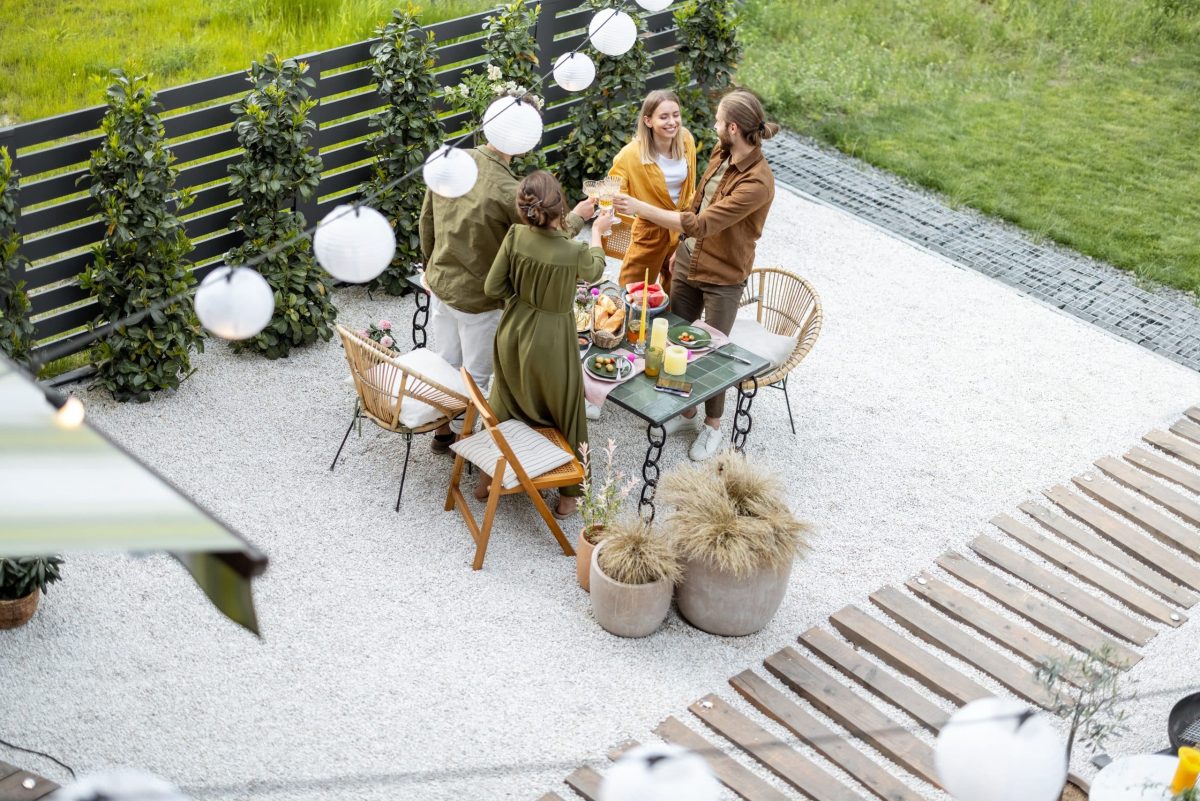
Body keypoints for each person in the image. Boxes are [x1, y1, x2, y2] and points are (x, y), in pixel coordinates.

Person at [613, 88, 779, 461]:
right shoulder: (722, 153)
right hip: (688, 262)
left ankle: (712, 425)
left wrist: (641, 207)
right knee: (675, 338)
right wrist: (680, 247)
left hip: (723, 276)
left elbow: (702, 223)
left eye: (719, 121)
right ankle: (684, 411)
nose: (714, 126)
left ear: (733, 128)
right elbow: (696, 202)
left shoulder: (758, 182)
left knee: (714, 351)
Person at [419, 97, 593, 454]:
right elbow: (548, 238)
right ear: (526, 140)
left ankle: (442, 433)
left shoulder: (450, 160)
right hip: (479, 300)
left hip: (440, 283)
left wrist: (431, 267)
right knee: (477, 377)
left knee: (446, 363)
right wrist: (579, 216)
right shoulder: (508, 191)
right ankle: (466, 449)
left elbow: (426, 222)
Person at [479, 171, 614, 518]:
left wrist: (521, 299)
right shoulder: (574, 250)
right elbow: (595, 269)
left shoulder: (515, 235)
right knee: (568, 409)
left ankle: (485, 476)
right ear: (559, 206)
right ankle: (569, 495)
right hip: (553, 338)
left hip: (513, 330)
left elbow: (493, 288)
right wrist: (596, 231)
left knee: (505, 397)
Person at [608, 89, 698, 291]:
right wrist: (617, 204)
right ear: (648, 121)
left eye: (676, 115)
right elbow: (613, 191)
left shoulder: (686, 140)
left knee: (678, 293)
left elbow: (691, 186)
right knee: (633, 291)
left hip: (681, 229)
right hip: (650, 232)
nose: (672, 122)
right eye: (664, 117)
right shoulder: (630, 155)